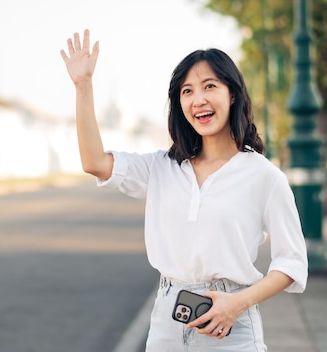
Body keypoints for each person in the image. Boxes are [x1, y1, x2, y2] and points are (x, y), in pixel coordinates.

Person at [60, 29, 308, 351]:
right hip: (167, 321)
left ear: (232, 94)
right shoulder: (162, 167)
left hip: (229, 325)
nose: (198, 100)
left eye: (209, 87)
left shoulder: (264, 176)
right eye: (187, 91)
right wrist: (83, 86)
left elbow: (291, 263)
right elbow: (94, 161)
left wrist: (237, 303)